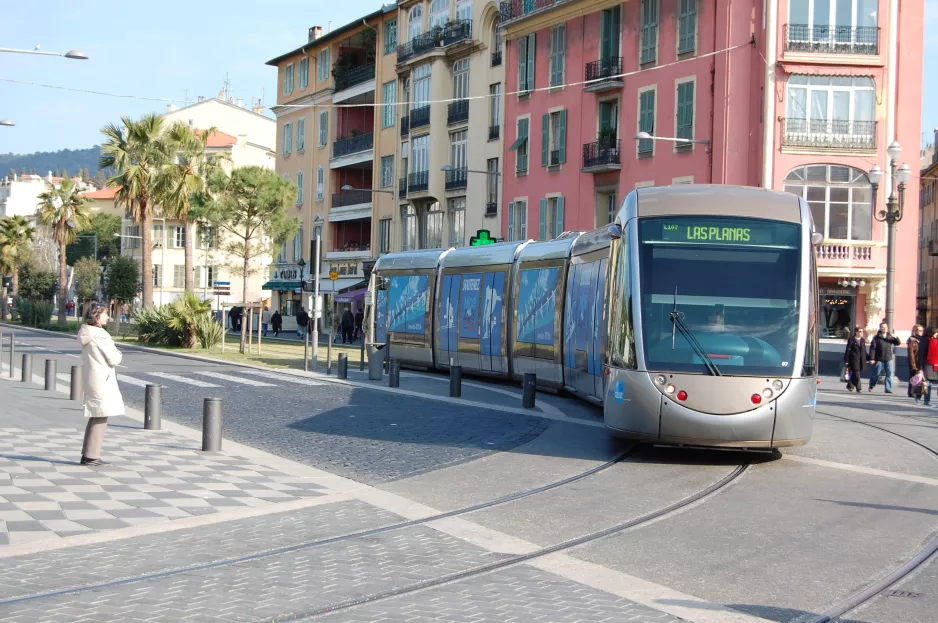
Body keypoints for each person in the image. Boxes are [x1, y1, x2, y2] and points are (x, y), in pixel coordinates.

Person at [77, 304, 125, 466]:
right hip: (103, 380)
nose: (107, 317)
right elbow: (114, 358)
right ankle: (91, 456)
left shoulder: (86, 332)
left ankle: (88, 454)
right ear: (96, 317)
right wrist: (119, 353)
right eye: (105, 314)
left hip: (93, 379)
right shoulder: (100, 335)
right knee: (100, 417)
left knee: (96, 415)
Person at [868, 321, 901, 393]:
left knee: (889, 373)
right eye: (883, 327)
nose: (884, 329)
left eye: (885, 327)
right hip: (879, 358)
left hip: (888, 357)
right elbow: (873, 348)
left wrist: (896, 337)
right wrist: (872, 358)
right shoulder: (876, 337)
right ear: (880, 328)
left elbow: (898, 343)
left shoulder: (890, 337)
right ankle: (871, 385)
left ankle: (888, 388)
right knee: (876, 373)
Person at [914, 326, 938, 406]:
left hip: (936, 364)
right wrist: (920, 367)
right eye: (936, 332)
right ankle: (925, 400)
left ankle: (921, 397)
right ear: (931, 332)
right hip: (927, 364)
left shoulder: (935, 340)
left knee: (927, 383)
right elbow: (921, 354)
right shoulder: (925, 341)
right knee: (927, 383)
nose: (937, 334)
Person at [843, 326, 866, 393]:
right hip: (853, 359)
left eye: (862, 331)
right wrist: (846, 360)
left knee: (854, 373)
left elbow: (864, 350)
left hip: (860, 359)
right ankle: (859, 388)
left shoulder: (862, 340)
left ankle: (850, 385)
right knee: (856, 372)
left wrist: (869, 357)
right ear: (856, 332)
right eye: (860, 331)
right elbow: (848, 350)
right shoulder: (851, 339)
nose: (861, 333)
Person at [907, 324, 924, 399]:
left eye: (922, 330)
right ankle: (911, 391)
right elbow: (911, 354)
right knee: (913, 377)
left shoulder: (922, 340)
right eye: (920, 330)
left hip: (921, 361)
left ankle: (917, 392)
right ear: (915, 331)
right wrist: (913, 365)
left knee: (919, 378)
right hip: (914, 361)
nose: (922, 332)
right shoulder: (912, 340)